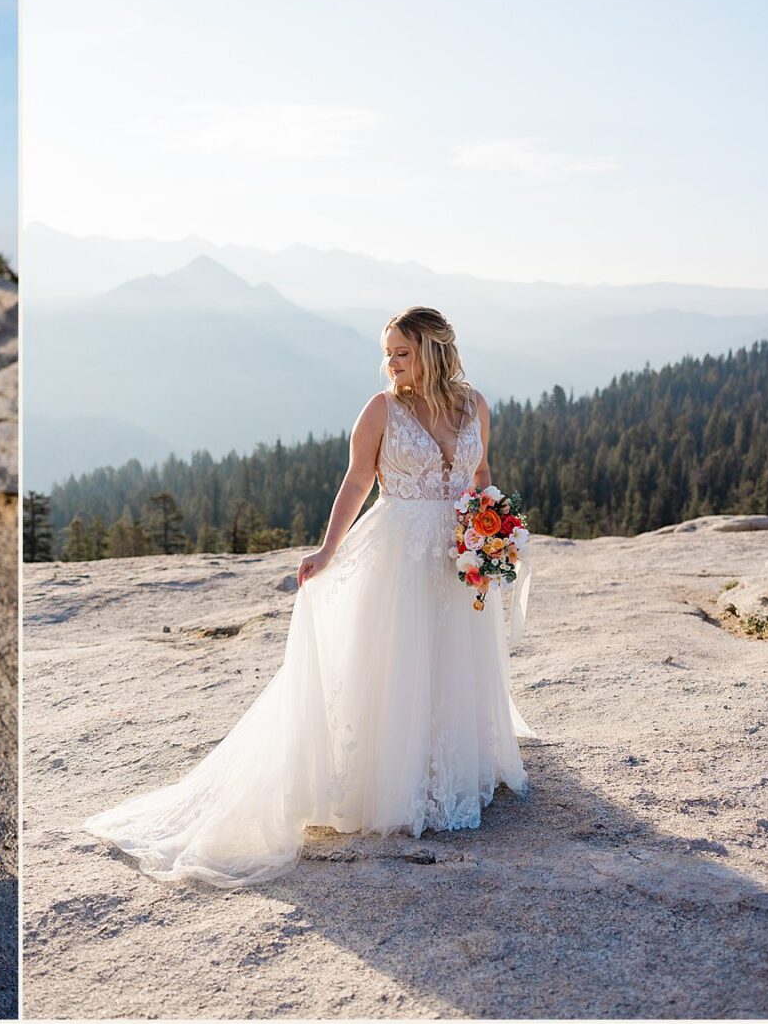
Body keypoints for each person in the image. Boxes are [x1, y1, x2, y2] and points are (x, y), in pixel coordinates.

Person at [84, 306, 534, 887]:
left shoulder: (473, 405)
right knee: (398, 659)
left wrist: (491, 528)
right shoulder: (381, 410)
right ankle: (392, 780)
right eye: (388, 353)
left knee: (454, 658)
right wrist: (326, 552)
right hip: (397, 552)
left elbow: (479, 473)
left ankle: (449, 770)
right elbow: (357, 481)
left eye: (402, 352)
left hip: (457, 552)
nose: (390, 363)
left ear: (434, 350)